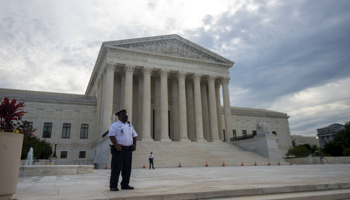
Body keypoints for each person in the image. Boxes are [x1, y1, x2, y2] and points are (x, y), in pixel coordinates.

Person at [108, 109, 137, 191]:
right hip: (119, 150)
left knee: (127, 168)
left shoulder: (130, 126)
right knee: (116, 168)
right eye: (123, 115)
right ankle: (113, 185)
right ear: (120, 117)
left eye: (125, 115)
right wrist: (116, 145)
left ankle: (125, 184)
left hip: (128, 150)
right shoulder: (115, 125)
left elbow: (134, 135)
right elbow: (111, 135)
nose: (125, 117)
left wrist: (134, 145)